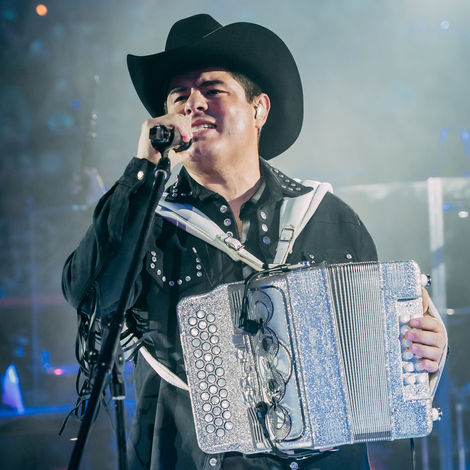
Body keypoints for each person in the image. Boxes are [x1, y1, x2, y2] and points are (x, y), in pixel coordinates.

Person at [62, 14, 447, 470]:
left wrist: (422, 351)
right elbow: (88, 296)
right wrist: (143, 169)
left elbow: (375, 362)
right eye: (179, 96)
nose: (192, 104)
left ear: (259, 109)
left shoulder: (327, 216)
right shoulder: (147, 224)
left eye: (213, 90)